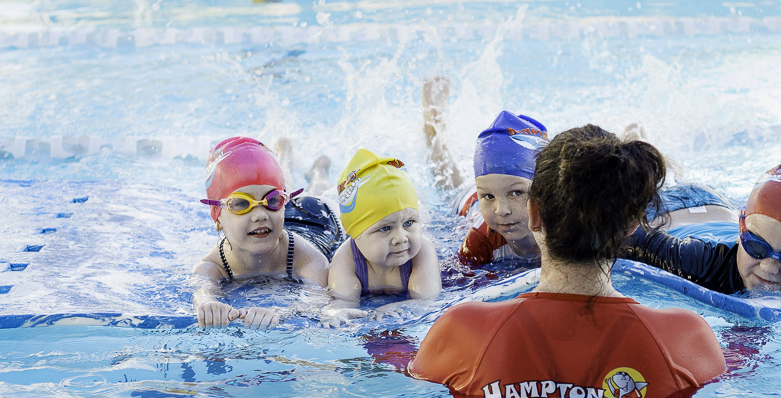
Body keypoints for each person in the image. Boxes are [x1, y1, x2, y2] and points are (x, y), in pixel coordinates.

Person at [408, 123, 727, 398]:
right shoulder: (687, 339)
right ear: (632, 227)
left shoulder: (461, 330)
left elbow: (396, 367)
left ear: (533, 215)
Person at [623, 160, 781, 294]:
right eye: (756, 247)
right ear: (741, 231)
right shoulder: (700, 264)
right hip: (669, 208)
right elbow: (620, 234)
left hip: (728, 209)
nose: (768, 267)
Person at [193, 136, 342, 328]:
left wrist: (280, 313)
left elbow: (317, 305)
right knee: (276, 185)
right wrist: (207, 304)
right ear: (217, 215)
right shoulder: (210, 265)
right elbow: (202, 293)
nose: (260, 215)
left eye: (272, 200)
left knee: (318, 188)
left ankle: (318, 171)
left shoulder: (309, 260)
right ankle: (284, 159)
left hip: (316, 218)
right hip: (281, 216)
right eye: (240, 203)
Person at [422, 76, 546, 265]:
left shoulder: (565, 228)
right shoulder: (480, 238)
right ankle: (433, 123)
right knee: (448, 184)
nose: (501, 210)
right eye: (488, 197)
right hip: (468, 203)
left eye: (516, 193)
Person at [325, 148, 442, 316]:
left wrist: (397, 308)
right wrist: (338, 314)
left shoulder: (423, 250)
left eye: (409, 223)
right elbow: (341, 304)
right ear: (355, 233)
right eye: (385, 228)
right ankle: (319, 172)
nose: (401, 238)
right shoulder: (346, 258)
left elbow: (427, 301)